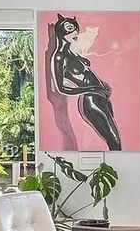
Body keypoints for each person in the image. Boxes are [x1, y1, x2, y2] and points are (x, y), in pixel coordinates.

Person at [45, 14, 122, 150]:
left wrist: (103, 86)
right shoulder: (59, 57)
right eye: (70, 29)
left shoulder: (73, 52)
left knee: (114, 139)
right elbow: (61, 88)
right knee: (114, 139)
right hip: (91, 101)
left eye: (75, 28)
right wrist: (90, 90)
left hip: (102, 97)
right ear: (61, 31)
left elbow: (86, 74)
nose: (75, 32)